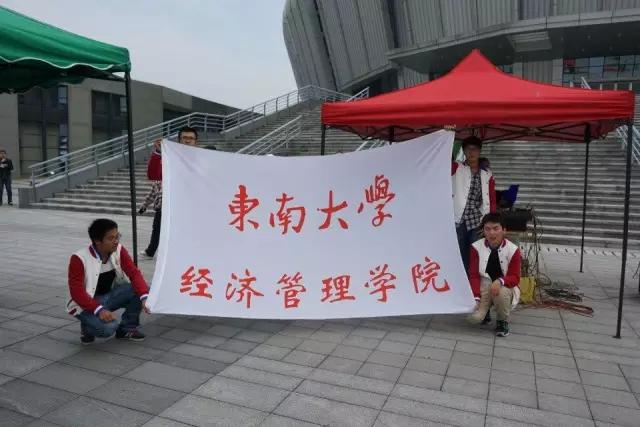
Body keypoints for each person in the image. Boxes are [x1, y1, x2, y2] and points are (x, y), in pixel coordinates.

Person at [67, 219, 150, 344]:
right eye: (111, 238)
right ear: (97, 241)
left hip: (109, 297)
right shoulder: (79, 258)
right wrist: (98, 310)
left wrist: (144, 297)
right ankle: (87, 327)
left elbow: (134, 273)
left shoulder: (119, 250)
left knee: (143, 290)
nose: (116, 241)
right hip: (84, 304)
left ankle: (127, 328)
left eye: (117, 236)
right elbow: (76, 292)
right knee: (108, 328)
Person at [468, 213, 521, 337]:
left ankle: (502, 320)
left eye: (496, 228)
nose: (491, 233)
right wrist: (475, 297)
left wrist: (500, 281)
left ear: (504, 230)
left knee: (501, 294)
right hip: (484, 285)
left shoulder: (513, 250)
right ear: (483, 231)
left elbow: (515, 277)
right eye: (487, 229)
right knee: (474, 318)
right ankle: (485, 312)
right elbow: (474, 275)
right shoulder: (476, 247)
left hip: (504, 286)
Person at [452, 136, 496, 273]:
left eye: (475, 149)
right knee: (458, 252)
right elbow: (441, 161)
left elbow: (491, 199)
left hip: (477, 219)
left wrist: (491, 222)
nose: (471, 152)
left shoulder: (487, 173)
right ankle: (461, 279)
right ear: (464, 151)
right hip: (458, 218)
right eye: (468, 149)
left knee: (475, 252)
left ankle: (473, 280)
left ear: (479, 151)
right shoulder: (456, 167)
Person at [138, 181, 162, 259]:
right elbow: (151, 195)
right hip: (160, 210)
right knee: (156, 230)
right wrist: (144, 206)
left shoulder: (171, 179)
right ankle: (150, 252)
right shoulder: (157, 182)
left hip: (171, 210)